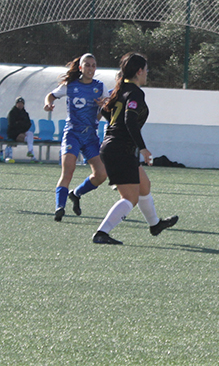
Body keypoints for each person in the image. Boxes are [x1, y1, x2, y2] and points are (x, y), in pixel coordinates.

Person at [92, 53, 177, 245]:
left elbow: (106, 112)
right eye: (146, 70)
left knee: (144, 185)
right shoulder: (135, 93)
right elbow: (129, 120)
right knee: (130, 198)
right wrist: (144, 149)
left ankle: (155, 224)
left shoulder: (121, 90)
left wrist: (118, 132)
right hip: (120, 148)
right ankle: (102, 233)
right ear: (139, 71)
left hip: (115, 147)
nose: (147, 73)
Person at [43, 54, 108, 221]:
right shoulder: (70, 86)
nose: (90, 69)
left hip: (90, 136)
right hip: (72, 133)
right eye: (87, 65)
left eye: (93, 66)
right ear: (80, 68)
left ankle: (76, 193)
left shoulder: (100, 87)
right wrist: (48, 103)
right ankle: (60, 207)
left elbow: (107, 109)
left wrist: (103, 108)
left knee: (101, 174)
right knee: (68, 171)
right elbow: (51, 95)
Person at [4, 97, 34, 162]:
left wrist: (21, 126)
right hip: (13, 133)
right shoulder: (12, 113)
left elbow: (28, 124)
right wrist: (21, 126)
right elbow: (12, 124)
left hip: (23, 132)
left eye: (21, 103)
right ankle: (32, 155)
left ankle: (30, 151)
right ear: (16, 104)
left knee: (30, 134)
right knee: (27, 138)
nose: (20, 105)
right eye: (19, 103)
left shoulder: (25, 113)